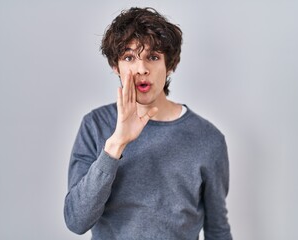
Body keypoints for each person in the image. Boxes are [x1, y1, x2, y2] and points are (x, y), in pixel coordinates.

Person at [64, 7, 232, 240]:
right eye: (129, 57)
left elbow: (218, 230)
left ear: (169, 64)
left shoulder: (208, 138)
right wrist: (116, 144)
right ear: (116, 66)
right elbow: (76, 220)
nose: (142, 69)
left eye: (153, 57)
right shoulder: (95, 125)